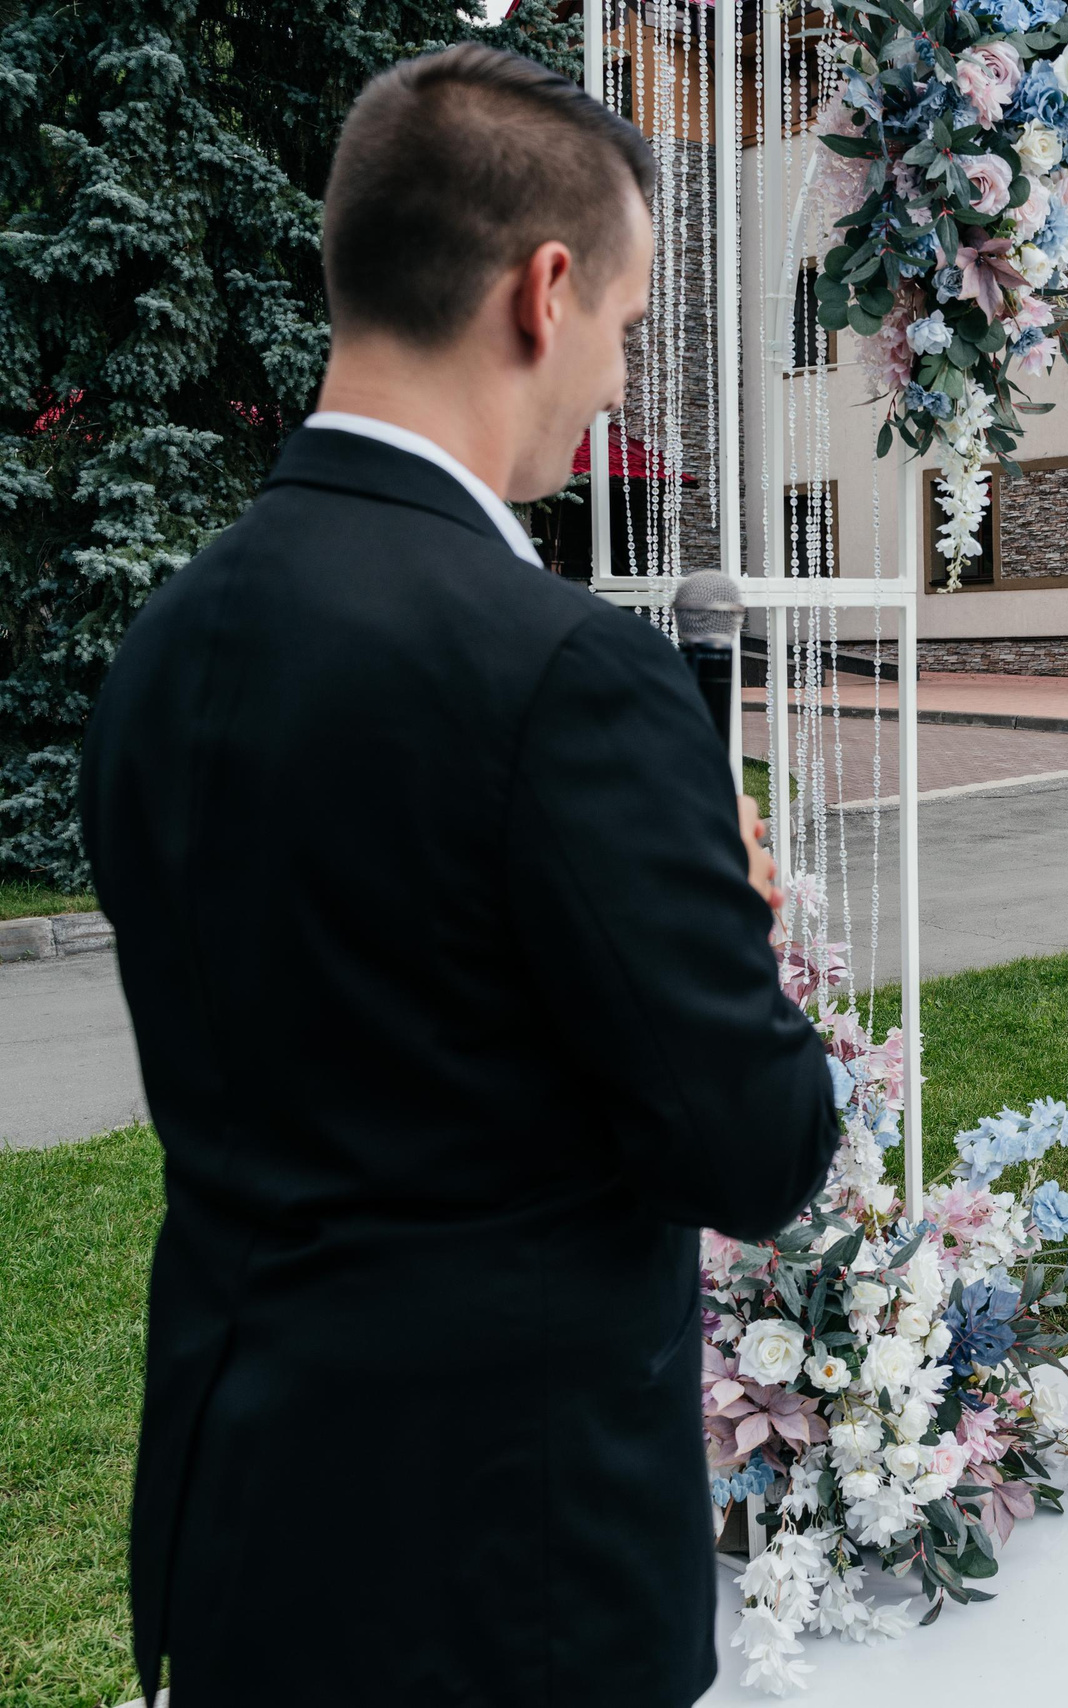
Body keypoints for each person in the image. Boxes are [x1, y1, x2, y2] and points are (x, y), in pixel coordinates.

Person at [77, 47, 838, 1708]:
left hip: (241, 1529)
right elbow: (757, 1143)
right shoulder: (565, 674)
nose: (620, 380)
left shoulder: (165, 645)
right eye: (628, 326)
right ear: (542, 290)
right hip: (511, 1574)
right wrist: (733, 914)